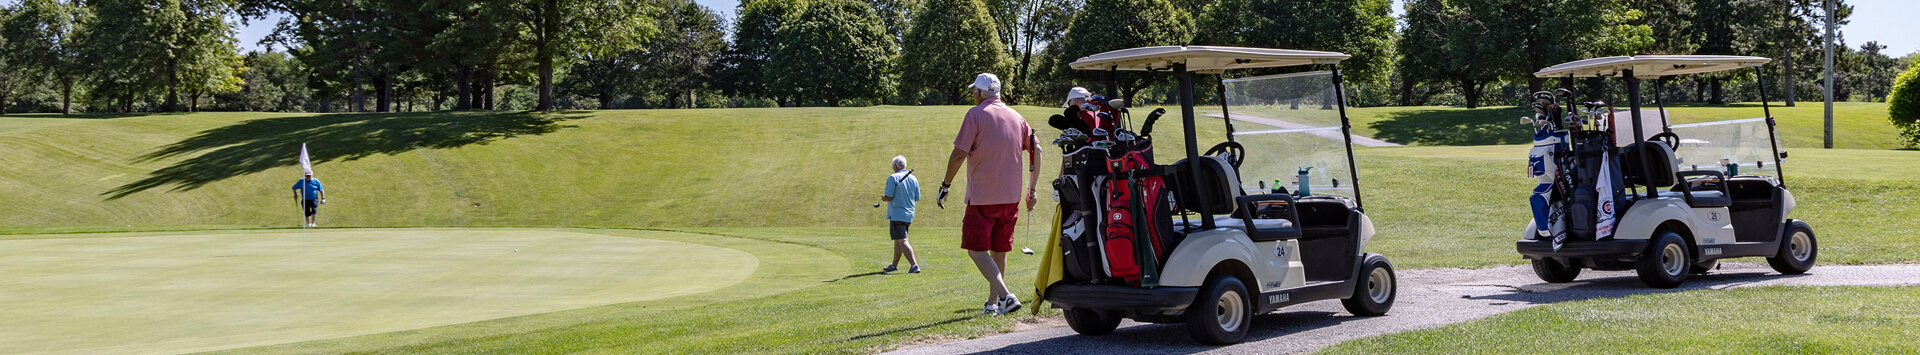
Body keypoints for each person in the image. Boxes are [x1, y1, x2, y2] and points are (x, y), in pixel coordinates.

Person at [938, 73, 1040, 316]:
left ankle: (1005, 296)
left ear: (979, 93)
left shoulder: (974, 115)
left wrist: (946, 185)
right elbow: (1036, 148)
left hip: (983, 197)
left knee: (976, 250)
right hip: (1011, 198)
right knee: (999, 250)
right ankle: (993, 304)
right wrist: (1032, 189)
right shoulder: (1017, 117)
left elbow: (959, 154)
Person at [880, 155, 922, 274]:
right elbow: (917, 197)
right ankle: (894, 265)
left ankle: (914, 265)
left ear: (895, 166)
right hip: (909, 214)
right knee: (898, 240)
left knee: (902, 240)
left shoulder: (893, 178)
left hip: (897, 213)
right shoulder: (913, 179)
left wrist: (883, 198)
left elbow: (889, 196)